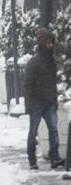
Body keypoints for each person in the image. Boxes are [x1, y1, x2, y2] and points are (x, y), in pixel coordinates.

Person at [24, 28, 65, 170]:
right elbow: (28, 85)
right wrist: (28, 105)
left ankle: (54, 156)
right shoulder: (34, 63)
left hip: (48, 102)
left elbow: (52, 82)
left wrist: (54, 99)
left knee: (53, 130)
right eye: (48, 43)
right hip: (37, 103)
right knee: (34, 131)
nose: (51, 45)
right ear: (42, 44)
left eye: (51, 43)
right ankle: (32, 159)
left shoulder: (51, 61)